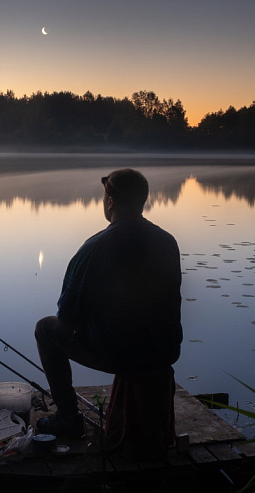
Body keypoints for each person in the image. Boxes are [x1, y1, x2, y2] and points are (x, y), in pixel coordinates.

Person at [35, 168, 182, 458]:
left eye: (104, 197)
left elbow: (67, 317)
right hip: (163, 352)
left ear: (111, 201)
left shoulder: (94, 247)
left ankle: (68, 419)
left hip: (121, 354)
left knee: (46, 329)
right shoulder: (168, 242)